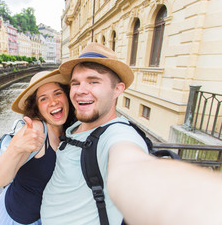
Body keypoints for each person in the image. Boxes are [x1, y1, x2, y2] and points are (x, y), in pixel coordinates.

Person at [40, 43, 222, 225]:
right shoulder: (77, 124)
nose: (80, 90)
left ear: (118, 89)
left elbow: (133, 168)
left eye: (93, 81)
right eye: (76, 83)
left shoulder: (118, 135)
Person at [0, 69, 75, 225]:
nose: (53, 102)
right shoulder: (35, 129)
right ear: (37, 107)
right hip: (18, 218)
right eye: (43, 99)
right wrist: (16, 149)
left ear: (67, 96)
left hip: (46, 217)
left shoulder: (69, 129)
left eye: (57, 93)